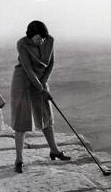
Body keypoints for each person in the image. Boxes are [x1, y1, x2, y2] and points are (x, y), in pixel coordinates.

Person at [11, 20, 70, 173]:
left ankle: (54, 151)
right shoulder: (22, 44)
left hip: (41, 80)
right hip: (23, 80)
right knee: (22, 119)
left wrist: (43, 84)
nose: (41, 41)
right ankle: (19, 159)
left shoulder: (49, 40)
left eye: (43, 38)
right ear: (30, 37)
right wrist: (39, 86)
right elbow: (28, 69)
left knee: (46, 115)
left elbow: (51, 63)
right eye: (38, 38)